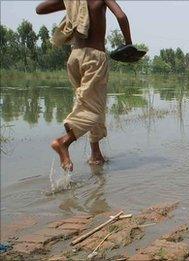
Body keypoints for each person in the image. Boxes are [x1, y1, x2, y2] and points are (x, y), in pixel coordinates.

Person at [36, 0, 133, 171]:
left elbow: (40, 9)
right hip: (94, 58)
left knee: (89, 103)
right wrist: (128, 43)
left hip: (74, 57)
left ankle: (96, 155)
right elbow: (121, 16)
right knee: (92, 109)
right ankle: (63, 143)